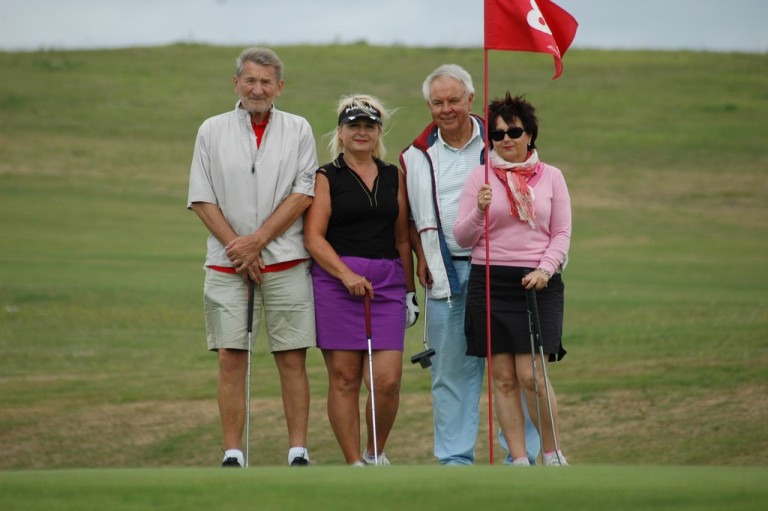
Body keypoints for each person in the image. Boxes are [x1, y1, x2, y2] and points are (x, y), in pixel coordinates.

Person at [400, 64, 539, 465]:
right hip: (447, 275)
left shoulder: (501, 139)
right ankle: (455, 461)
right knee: (450, 375)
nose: (446, 109)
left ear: (471, 99)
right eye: (437, 102)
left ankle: (523, 457)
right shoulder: (414, 155)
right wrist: (421, 254)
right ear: (429, 105)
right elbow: (408, 218)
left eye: (454, 100)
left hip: (503, 270)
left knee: (517, 371)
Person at [187, 47, 318, 468]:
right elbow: (201, 197)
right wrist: (239, 249)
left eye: (266, 82)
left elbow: (303, 193)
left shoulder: (298, 128)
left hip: (286, 261)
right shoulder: (211, 130)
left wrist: (257, 241)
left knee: (292, 357)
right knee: (231, 357)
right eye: (250, 80)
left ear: (279, 87)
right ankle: (233, 452)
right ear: (236, 84)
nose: (257, 89)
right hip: (227, 264)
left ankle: (297, 450)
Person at [453, 92, 570, 466]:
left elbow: (561, 233)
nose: (506, 139)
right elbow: (462, 237)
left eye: (514, 132)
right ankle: (518, 460)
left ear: (529, 135)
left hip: (538, 283)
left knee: (531, 374)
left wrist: (545, 270)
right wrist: (479, 210)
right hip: (490, 282)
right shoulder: (480, 178)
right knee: (503, 378)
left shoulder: (552, 177)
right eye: (498, 134)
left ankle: (552, 453)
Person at [305, 94, 417, 466]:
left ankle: (374, 453)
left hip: (386, 284)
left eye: (369, 126)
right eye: (354, 125)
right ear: (340, 132)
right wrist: (346, 274)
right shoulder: (327, 176)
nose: (362, 132)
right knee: (344, 378)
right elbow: (314, 238)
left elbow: (402, 238)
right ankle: (354, 463)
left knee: (387, 381)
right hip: (336, 285)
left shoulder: (393, 176)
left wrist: (410, 292)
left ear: (379, 132)